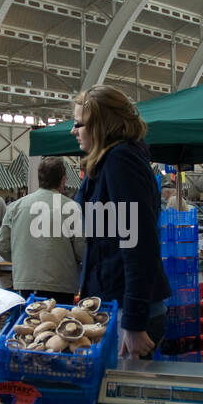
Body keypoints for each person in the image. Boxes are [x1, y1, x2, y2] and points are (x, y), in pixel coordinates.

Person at [73, 85, 171, 359]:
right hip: (116, 304)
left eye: (79, 124)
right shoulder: (111, 162)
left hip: (128, 311)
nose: (74, 131)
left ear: (101, 125)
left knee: (124, 396)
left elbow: (139, 244)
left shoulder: (121, 161)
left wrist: (134, 322)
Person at [0, 157, 84, 303]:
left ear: (39, 179)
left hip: (25, 283)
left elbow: (1, 245)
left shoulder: (15, 207)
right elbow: (82, 249)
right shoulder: (71, 208)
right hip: (61, 286)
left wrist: (21, 259)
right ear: (63, 180)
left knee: (29, 324)